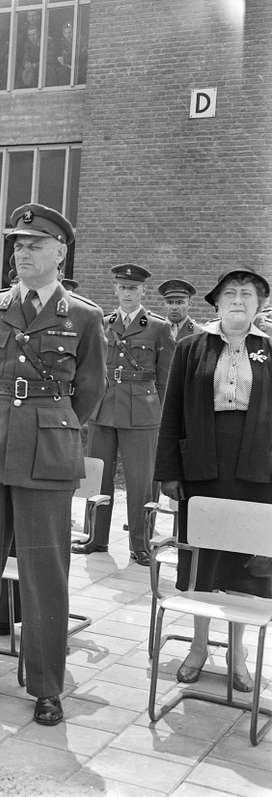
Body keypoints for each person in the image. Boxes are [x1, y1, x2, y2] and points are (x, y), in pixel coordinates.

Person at [0, 203, 106, 727]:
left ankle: (47, 685)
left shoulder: (83, 316)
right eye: (17, 245)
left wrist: (51, 427)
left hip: (47, 453)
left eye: (34, 245)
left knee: (45, 572)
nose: (22, 253)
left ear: (60, 252)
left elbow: (91, 393)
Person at [155, 267, 272, 693]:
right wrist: (168, 472)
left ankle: (237, 653)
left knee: (244, 566)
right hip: (201, 467)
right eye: (230, 293)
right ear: (217, 303)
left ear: (259, 305)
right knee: (201, 561)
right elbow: (172, 414)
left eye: (248, 294)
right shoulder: (191, 348)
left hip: (257, 473)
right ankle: (199, 647)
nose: (239, 299)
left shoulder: (270, 350)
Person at [75, 264, 174, 565]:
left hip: (142, 411)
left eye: (134, 288)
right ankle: (96, 537)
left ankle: (140, 545)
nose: (128, 293)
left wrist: (159, 412)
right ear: (115, 290)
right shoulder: (103, 324)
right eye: (123, 287)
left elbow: (165, 378)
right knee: (99, 477)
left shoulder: (158, 327)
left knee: (140, 480)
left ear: (143, 291)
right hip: (105, 407)